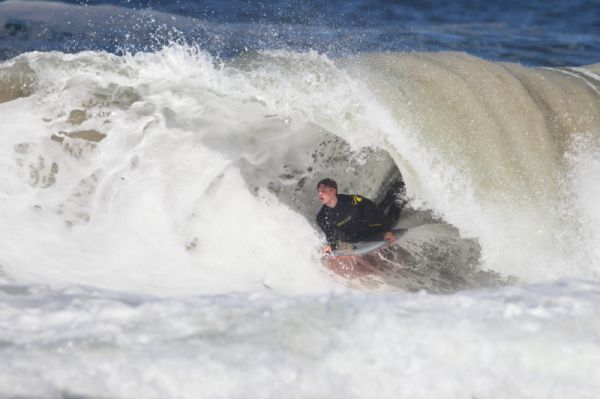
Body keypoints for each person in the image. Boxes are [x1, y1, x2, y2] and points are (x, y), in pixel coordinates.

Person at [316, 178, 399, 254]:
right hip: (355, 237)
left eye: (323, 190)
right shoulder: (321, 217)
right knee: (382, 206)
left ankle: (399, 187)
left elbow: (376, 212)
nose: (320, 193)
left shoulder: (353, 200)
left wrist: (387, 231)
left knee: (390, 210)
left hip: (375, 228)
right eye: (319, 191)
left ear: (333, 191)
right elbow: (330, 236)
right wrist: (331, 246)